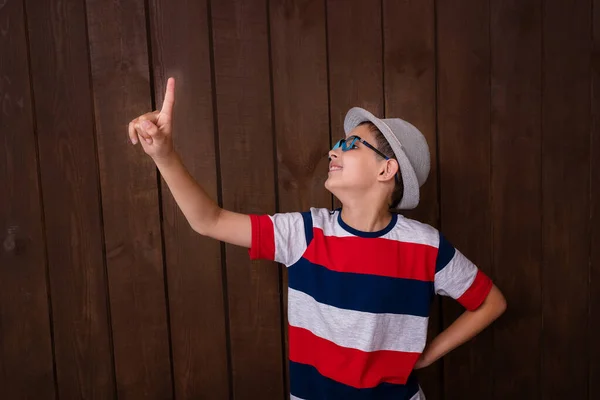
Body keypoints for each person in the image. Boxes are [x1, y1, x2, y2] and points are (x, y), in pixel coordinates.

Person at [128, 78, 506, 400]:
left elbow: (491, 302)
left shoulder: (427, 246)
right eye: (337, 143)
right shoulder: (303, 234)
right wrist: (164, 154)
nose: (333, 150)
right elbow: (208, 220)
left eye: (350, 144)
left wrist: (428, 354)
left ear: (386, 170)